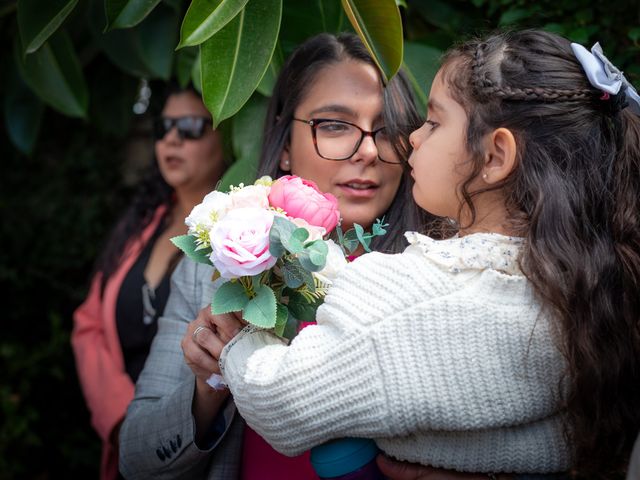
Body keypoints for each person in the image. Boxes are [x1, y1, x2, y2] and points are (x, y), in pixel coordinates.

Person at [207, 29, 640, 479]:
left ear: (494, 157)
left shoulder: (418, 293)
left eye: (432, 123)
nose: (411, 138)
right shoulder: (581, 287)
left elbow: (281, 401)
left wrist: (234, 346)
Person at [118, 32, 440, 479]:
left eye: (388, 130)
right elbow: (136, 458)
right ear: (285, 145)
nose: (368, 151)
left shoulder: (439, 269)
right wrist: (208, 387)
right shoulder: (214, 269)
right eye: (334, 124)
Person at [71, 84, 228, 480]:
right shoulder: (144, 222)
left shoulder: (239, 236)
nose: (172, 139)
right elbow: (88, 323)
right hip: (131, 435)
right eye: (164, 127)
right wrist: (122, 419)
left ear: (226, 137)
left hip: (197, 446)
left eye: (191, 126)